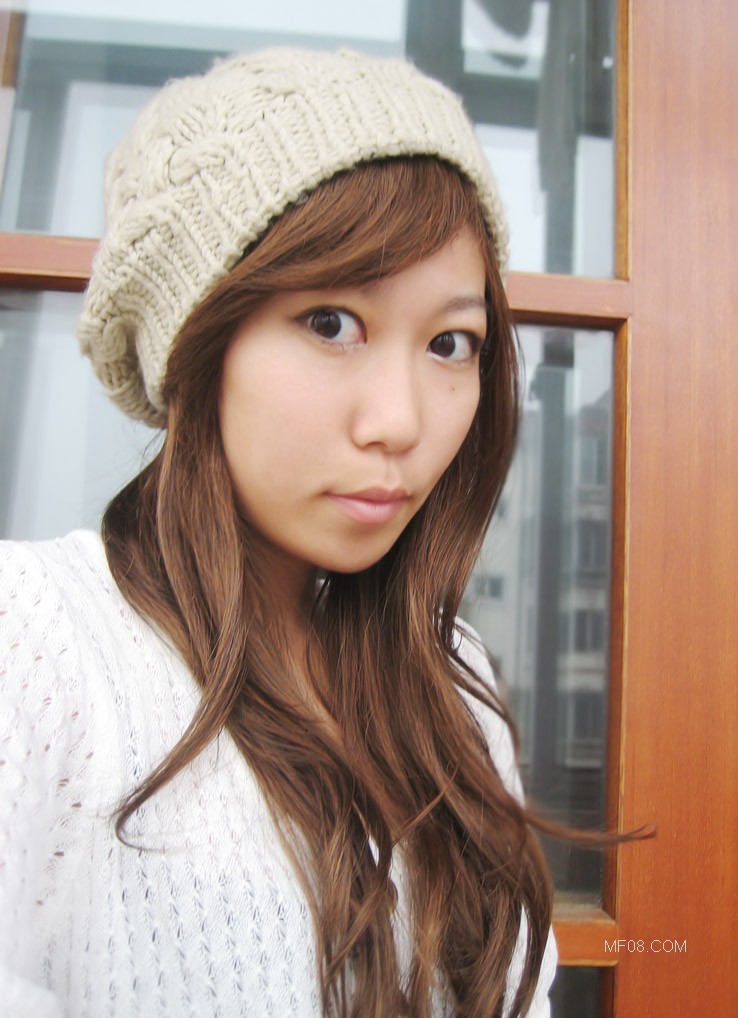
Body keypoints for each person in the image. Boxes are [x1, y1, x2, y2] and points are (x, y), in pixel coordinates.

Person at [0, 48, 558, 1017]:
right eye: (331, 322)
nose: (399, 421)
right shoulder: (36, 644)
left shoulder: (451, 681)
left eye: (449, 343)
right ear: (197, 346)